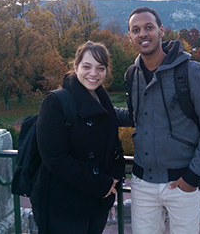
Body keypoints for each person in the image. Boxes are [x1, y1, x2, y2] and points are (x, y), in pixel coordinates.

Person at [126, 7, 200, 234]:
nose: (143, 34)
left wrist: (193, 175)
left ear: (161, 30)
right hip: (142, 183)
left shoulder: (192, 72)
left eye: (148, 27)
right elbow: (137, 117)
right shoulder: (132, 75)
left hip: (183, 182)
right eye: (136, 29)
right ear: (130, 36)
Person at [30, 41, 127, 234]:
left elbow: (112, 145)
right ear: (75, 67)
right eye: (87, 66)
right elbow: (55, 158)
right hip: (64, 206)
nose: (93, 73)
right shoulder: (56, 102)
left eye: (100, 68)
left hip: (96, 203)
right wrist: (100, 184)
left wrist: (115, 178)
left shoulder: (101, 100)